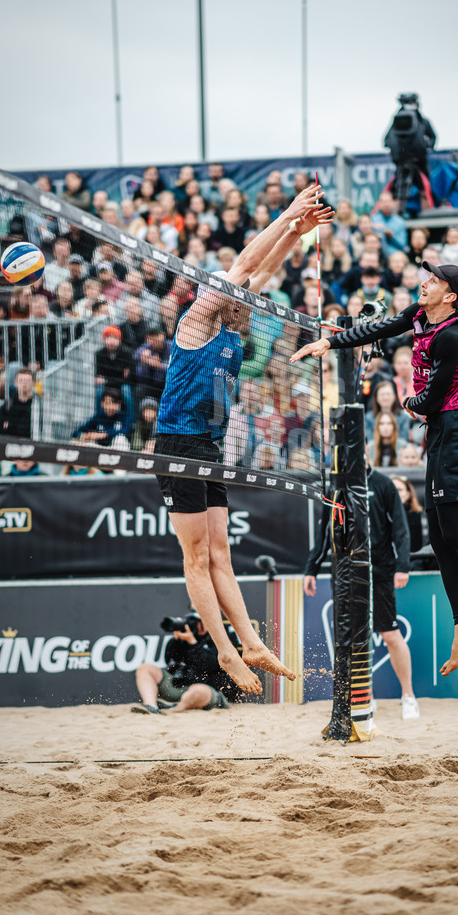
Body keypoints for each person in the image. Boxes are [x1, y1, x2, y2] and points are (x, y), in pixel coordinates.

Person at [292, 261, 458, 675]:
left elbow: (428, 400)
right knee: (442, 536)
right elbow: (381, 328)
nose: (423, 283)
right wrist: (330, 344)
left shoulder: (455, 338)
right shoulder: (421, 313)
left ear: (451, 295)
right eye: (425, 278)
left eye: (433, 281)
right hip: (442, 431)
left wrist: (409, 404)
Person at [154, 183, 333, 695]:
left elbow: (263, 269)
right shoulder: (197, 323)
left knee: (222, 558)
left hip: (207, 449)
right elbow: (245, 266)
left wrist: (296, 233)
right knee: (196, 559)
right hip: (178, 445)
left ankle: (251, 644)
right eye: (242, 294)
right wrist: (287, 213)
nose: (252, 300)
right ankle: (230, 654)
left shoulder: (234, 328)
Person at [304, 462, 420, 720]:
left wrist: (403, 566)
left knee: (390, 634)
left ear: (364, 449)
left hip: (379, 571)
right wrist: (311, 568)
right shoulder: (334, 487)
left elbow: (400, 529)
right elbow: (325, 532)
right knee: (350, 638)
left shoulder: (382, 484)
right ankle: (363, 696)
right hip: (345, 574)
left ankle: (409, 696)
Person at [133, 612, 243, 715]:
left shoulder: (223, 637)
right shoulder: (186, 636)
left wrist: (192, 643)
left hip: (207, 690)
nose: (195, 625)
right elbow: (170, 660)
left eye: (199, 621)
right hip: (180, 685)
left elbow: (209, 665)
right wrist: (177, 641)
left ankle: (174, 710)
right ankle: (151, 706)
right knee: (145, 668)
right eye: (195, 621)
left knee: (199, 690)